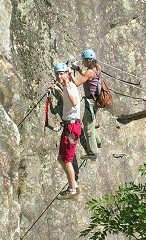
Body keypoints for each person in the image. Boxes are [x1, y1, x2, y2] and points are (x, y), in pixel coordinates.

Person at [51, 62, 82, 200]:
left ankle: (72, 190)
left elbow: (74, 101)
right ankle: (73, 183)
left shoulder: (71, 86)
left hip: (72, 126)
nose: (59, 76)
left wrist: (65, 86)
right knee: (60, 158)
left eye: (61, 73)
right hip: (68, 125)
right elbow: (68, 101)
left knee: (67, 160)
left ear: (66, 74)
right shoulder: (66, 87)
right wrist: (59, 90)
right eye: (57, 74)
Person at [70, 49, 101, 161]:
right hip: (95, 100)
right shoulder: (96, 68)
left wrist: (69, 73)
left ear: (87, 60)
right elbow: (87, 76)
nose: (82, 62)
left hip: (90, 102)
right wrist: (77, 69)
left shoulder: (90, 72)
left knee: (88, 127)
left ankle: (93, 152)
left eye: (83, 60)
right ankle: (97, 141)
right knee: (88, 121)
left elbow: (77, 83)